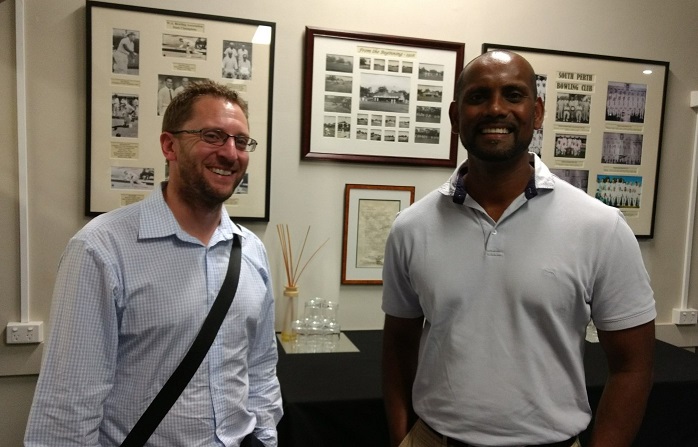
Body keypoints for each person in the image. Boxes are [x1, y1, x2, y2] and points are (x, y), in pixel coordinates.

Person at [381, 50, 655, 447]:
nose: (496, 109)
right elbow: (397, 347)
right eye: (478, 97)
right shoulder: (411, 227)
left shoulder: (600, 226)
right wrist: (402, 438)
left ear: (537, 112)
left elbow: (633, 367)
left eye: (513, 95)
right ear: (455, 116)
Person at [25, 80, 282, 447]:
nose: (230, 153)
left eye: (241, 141)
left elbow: (260, 367)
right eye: (212, 136)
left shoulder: (252, 251)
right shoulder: (102, 249)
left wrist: (266, 437)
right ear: (169, 146)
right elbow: (68, 405)